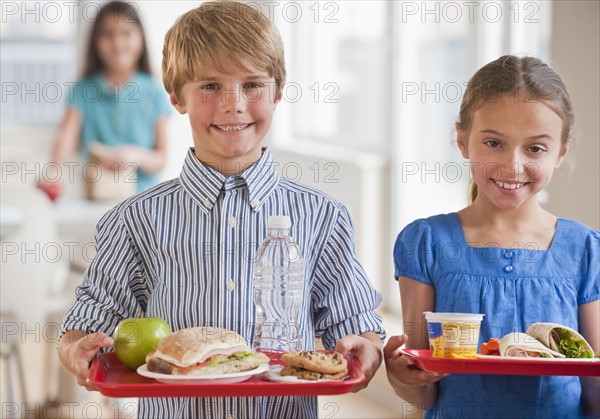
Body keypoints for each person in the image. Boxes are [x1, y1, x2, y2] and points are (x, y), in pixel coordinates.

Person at [58, 2, 385, 418]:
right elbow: (88, 324)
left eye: (252, 85)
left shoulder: (323, 216)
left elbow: (358, 328)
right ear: (176, 96)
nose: (233, 105)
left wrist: (367, 348)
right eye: (210, 86)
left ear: (278, 91)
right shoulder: (133, 220)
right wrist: (76, 347)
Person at [384, 55, 599, 418]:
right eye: (494, 143)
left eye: (534, 148)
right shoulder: (425, 243)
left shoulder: (585, 250)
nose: (512, 166)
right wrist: (400, 377)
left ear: (561, 152)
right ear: (463, 140)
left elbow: (594, 386)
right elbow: (424, 394)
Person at [42, 1, 170, 196]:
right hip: (97, 198)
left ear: (141, 38)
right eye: (108, 34)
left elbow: (161, 159)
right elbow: (66, 136)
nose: (117, 43)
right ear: (95, 41)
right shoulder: (82, 89)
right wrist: (54, 170)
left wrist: (135, 156)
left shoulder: (154, 92)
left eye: (126, 33)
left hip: (146, 201)